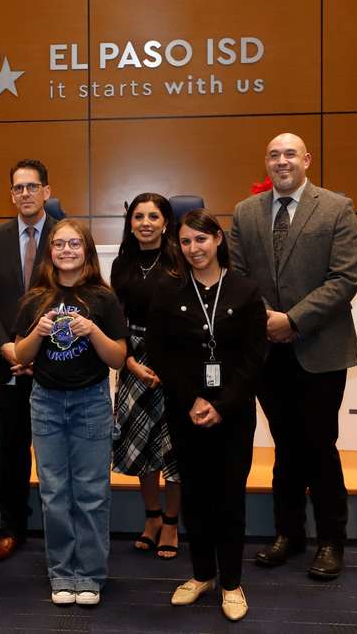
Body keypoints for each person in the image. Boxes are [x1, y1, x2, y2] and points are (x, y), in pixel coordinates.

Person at [228, 132, 357, 580]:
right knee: (285, 444)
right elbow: (238, 275)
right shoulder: (246, 213)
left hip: (321, 348)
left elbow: (344, 278)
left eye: (290, 154)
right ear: (265, 163)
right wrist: (268, 319)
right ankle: (288, 534)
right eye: (273, 155)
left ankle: (330, 540)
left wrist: (294, 319)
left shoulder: (336, 207)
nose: (281, 161)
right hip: (266, 350)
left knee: (319, 444)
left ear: (306, 160)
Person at [147, 209, 266, 621]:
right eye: (185, 242)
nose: (194, 249)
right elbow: (162, 354)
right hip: (186, 411)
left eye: (201, 239)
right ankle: (201, 576)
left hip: (233, 413)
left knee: (229, 497)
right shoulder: (168, 292)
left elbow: (255, 358)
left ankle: (231, 582)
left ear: (217, 239)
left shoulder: (246, 291)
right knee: (194, 496)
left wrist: (223, 403)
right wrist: (193, 400)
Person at [13, 219, 128, 607]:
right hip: (45, 401)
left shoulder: (103, 298)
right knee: (54, 493)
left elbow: (118, 358)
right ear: (50, 252)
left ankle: (91, 575)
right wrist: (39, 332)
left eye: (74, 244)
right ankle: (62, 573)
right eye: (59, 244)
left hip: (91, 402)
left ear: (87, 250)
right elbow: (21, 354)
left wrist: (92, 330)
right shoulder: (36, 298)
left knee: (92, 493)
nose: (66, 250)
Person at [0, 158, 56, 562]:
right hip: (7, 362)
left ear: (47, 191)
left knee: (55, 450)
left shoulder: (67, 236)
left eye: (32, 186)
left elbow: (75, 298)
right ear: (12, 194)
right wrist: (8, 347)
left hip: (56, 363)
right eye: (18, 187)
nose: (25, 193)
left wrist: (37, 351)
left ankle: (59, 529)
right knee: (11, 448)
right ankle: (12, 528)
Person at [110, 193, 182, 559]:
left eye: (154, 216)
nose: (145, 223)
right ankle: (151, 517)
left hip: (176, 359)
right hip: (134, 358)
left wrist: (171, 366)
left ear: (166, 222)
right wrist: (131, 362)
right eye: (138, 216)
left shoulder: (180, 261)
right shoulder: (122, 264)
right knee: (141, 446)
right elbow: (115, 320)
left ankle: (171, 522)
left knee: (173, 448)